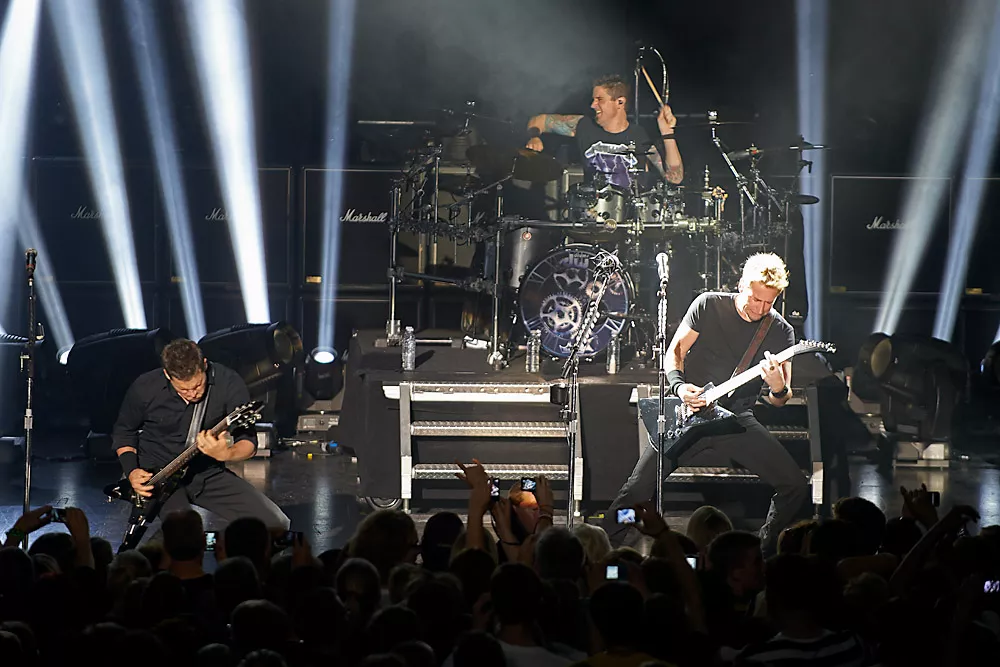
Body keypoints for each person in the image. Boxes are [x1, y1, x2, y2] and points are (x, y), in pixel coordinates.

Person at [601, 253, 809, 554]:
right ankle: (607, 546)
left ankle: (764, 551)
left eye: (769, 302)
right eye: (755, 299)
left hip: (734, 420)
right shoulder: (708, 305)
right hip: (689, 413)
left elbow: (781, 399)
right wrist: (680, 386)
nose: (761, 308)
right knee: (635, 492)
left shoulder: (780, 330)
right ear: (741, 285)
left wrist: (777, 386)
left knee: (794, 485)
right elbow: (676, 351)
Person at [112, 339, 289, 538]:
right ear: (167, 375)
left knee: (276, 523)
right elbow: (124, 432)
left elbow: (249, 443)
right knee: (185, 532)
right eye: (183, 390)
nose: (192, 394)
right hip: (158, 476)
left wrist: (227, 453)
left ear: (204, 364)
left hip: (205, 472)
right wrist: (132, 471)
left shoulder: (228, 382)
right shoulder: (145, 387)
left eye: (197, 385)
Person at [526, 73, 683, 188]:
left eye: (599, 99)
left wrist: (667, 132)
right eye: (593, 99)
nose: (593, 105)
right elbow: (539, 120)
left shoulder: (640, 136)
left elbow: (675, 177)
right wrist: (534, 136)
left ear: (620, 102)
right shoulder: (584, 125)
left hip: (629, 218)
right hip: (592, 214)